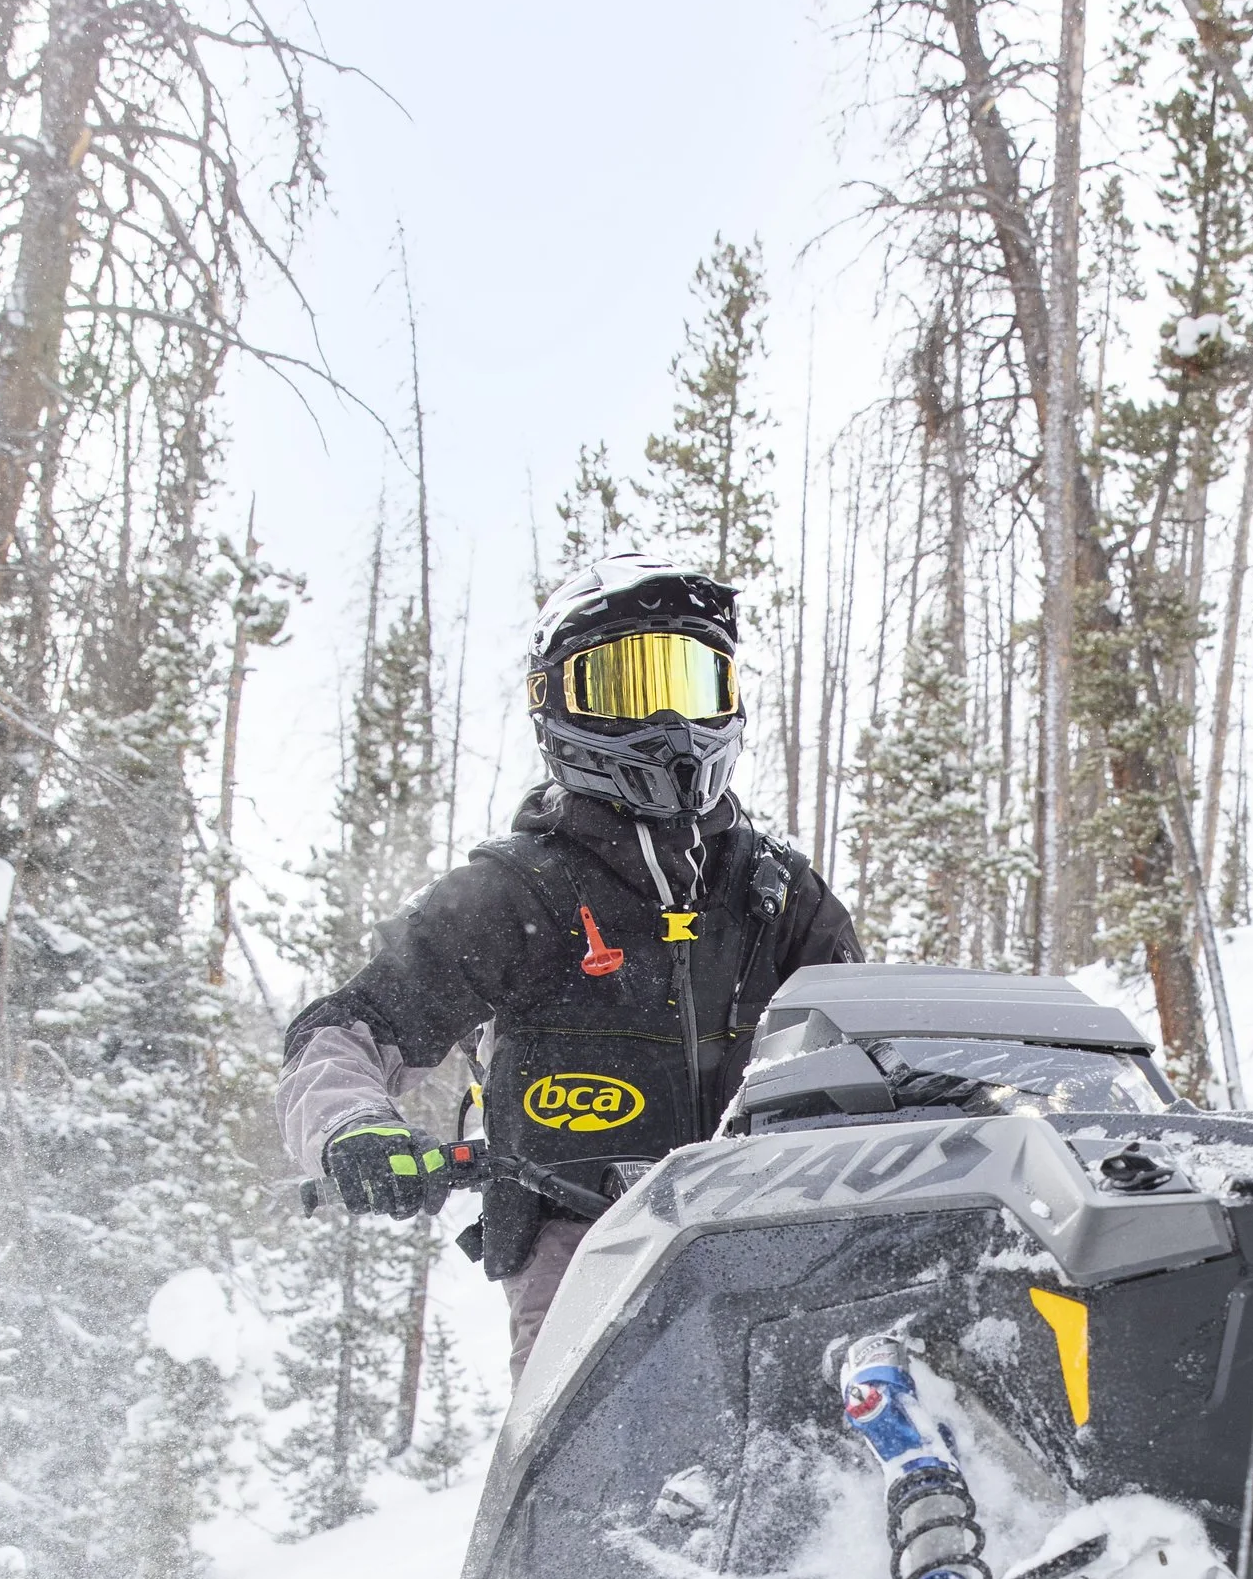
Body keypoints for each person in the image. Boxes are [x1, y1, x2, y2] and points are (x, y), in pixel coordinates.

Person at [280, 550, 860, 1378]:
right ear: (559, 704)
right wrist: (351, 1126)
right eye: (624, 686)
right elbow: (343, 1029)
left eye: (691, 684)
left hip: (771, 1235)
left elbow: (879, 1039)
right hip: (581, 1245)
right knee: (599, 1477)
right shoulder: (518, 893)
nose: (668, 724)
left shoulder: (775, 893)